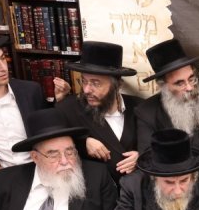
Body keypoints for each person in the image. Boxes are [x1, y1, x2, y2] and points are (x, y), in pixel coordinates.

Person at [0, 108, 117, 210]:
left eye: (70, 152)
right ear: (35, 157)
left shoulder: (96, 175)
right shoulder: (5, 179)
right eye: (53, 155)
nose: (64, 161)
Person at [135, 39, 199, 182]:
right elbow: (149, 157)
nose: (190, 87)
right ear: (163, 86)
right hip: (170, 183)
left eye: (191, 79)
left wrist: (167, 144)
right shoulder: (146, 111)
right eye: (180, 83)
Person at [57, 41, 143, 182]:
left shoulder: (140, 107)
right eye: (84, 81)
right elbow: (51, 146)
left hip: (137, 191)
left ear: (117, 85)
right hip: (96, 193)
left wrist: (141, 158)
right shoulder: (67, 108)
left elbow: (155, 147)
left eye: (96, 83)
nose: (86, 90)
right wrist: (83, 143)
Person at [0, 22, 48, 188]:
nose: (3, 67)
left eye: (3, 58)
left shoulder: (31, 91)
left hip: (41, 178)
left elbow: (47, 132)